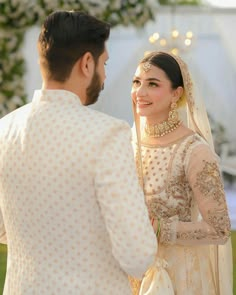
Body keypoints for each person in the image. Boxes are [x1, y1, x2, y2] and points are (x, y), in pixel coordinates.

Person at [0, 11, 158, 295]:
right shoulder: (107, 135)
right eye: (104, 63)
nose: (105, 73)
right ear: (87, 63)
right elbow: (137, 256)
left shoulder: (4, 130)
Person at [130, 51, 233, 295]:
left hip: (181, 277)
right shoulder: (129, 141)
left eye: (152, 84)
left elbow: (219, 228)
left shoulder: (194, 150)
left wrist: (160, 229)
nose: (140, 92)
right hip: (132, 271)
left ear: (177, 93)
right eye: (136, 82)